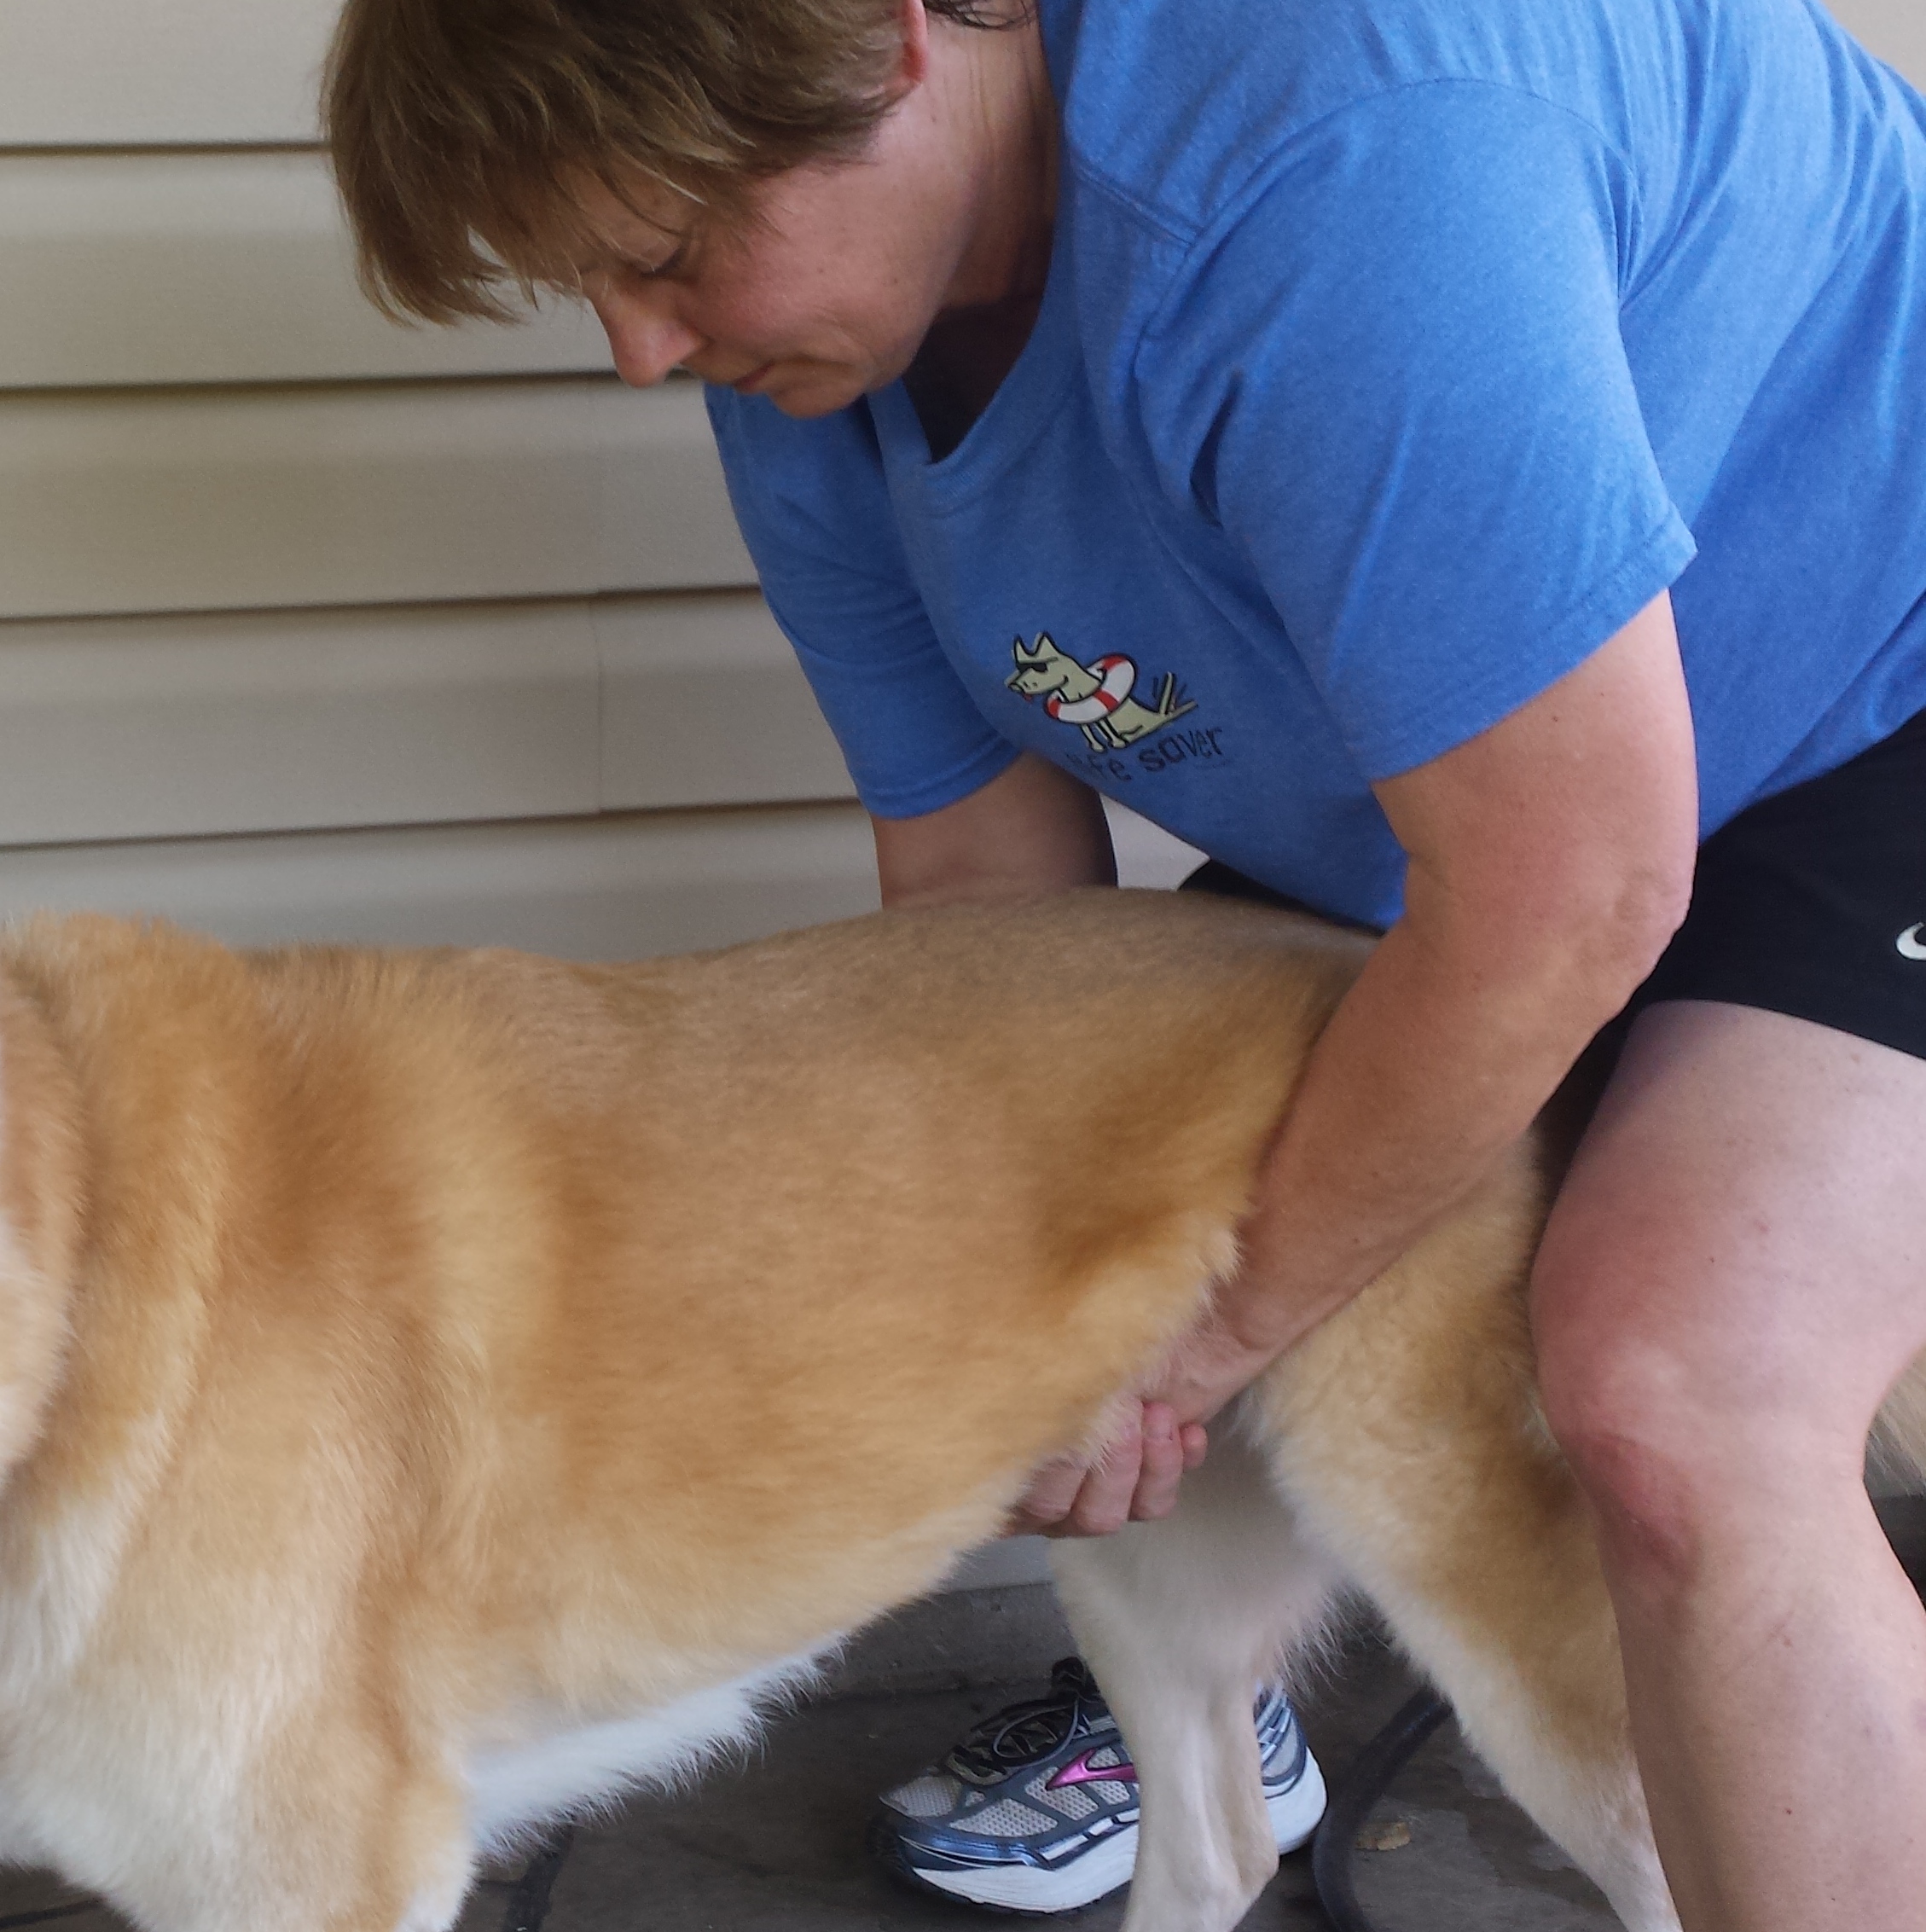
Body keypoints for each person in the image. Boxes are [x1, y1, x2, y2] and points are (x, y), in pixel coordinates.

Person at [322, 0, 1926, 1922]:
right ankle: (1213, 1694)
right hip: (1501, 782)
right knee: (1132, 1208)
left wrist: (1196, 1339)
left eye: (666, 253)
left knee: (1673, 1391)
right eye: (592, 279)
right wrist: (1029, 1327)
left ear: (891, 45)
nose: (637, 346)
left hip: (1864, 688)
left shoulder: (1327, 163)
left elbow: (1568, 888)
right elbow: (992, 925)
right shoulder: (814, 376)